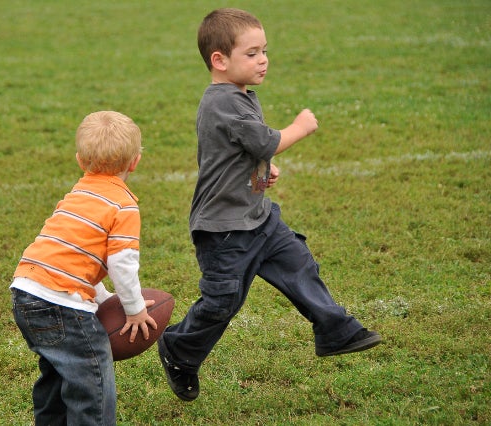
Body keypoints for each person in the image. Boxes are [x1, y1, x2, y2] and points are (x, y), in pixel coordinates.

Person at [157, 8, 381, 402]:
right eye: (252, 53)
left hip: (258, 218)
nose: (263, 60)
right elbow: (263, 140)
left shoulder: (241, 96)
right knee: (222, 303)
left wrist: (263, 171)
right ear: (220, 60)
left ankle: (336, 329)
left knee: (300, 264)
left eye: (265, 51)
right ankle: (180, 349)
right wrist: (299, 128)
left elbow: (244, 150)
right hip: (224, 229)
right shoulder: (221, 102)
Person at [11, 111, 157, 425]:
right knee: (92, 384)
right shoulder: (123, 204)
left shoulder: (78, 193)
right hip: (62, 304)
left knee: (57, 372)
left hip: (25, 290)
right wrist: (133, 309)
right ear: (135, 162)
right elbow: (121, 264)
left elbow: (77, 260)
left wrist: (103, 300)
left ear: (80, 160)